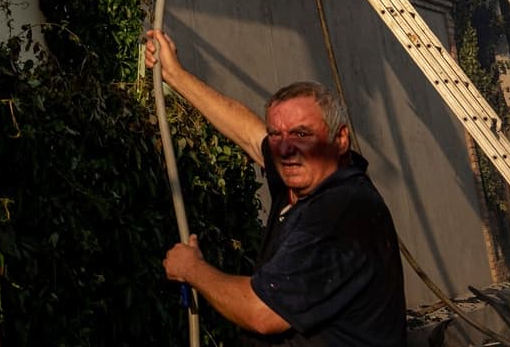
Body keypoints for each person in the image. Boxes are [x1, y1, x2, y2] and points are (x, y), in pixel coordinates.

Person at [144, 29, 404, 347]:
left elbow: (262, 312)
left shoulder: (341, 213)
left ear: (341, 139)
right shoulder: (304, 178)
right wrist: (176, 75)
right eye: (277, 134)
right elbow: (251, 135)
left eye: (302, 134)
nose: (285, 148)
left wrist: (192, 269)